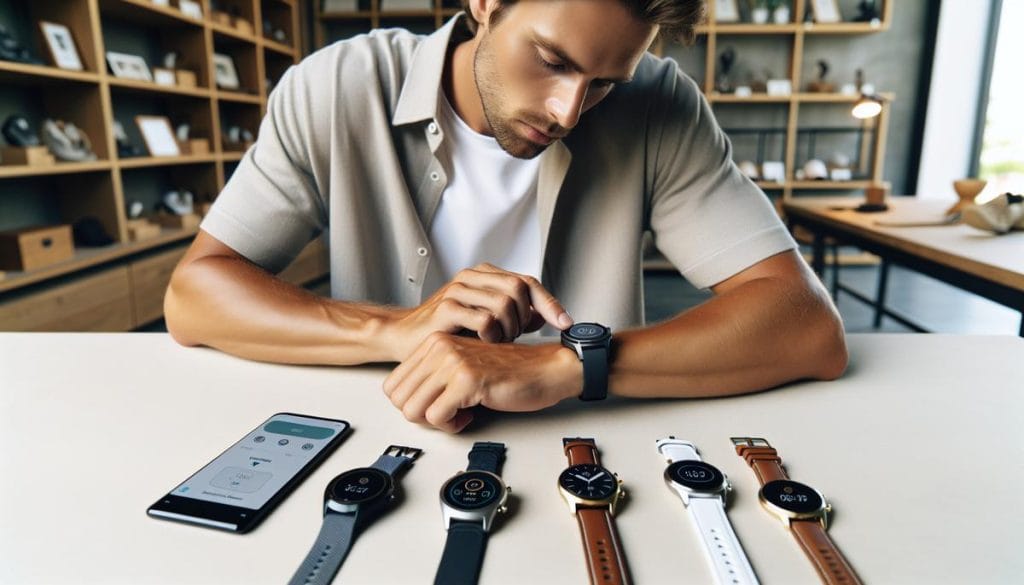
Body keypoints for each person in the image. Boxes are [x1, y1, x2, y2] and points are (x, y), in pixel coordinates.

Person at [165, 0, 847, 433]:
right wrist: (398, 330)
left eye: (604, 82)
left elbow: (807, 325)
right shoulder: (338, 87)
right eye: (552, 61)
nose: (569, 111)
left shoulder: (661, 104)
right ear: (484, 3)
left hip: (590, 451)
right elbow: (196, 294)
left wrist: (565, 367)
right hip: (385, 436)